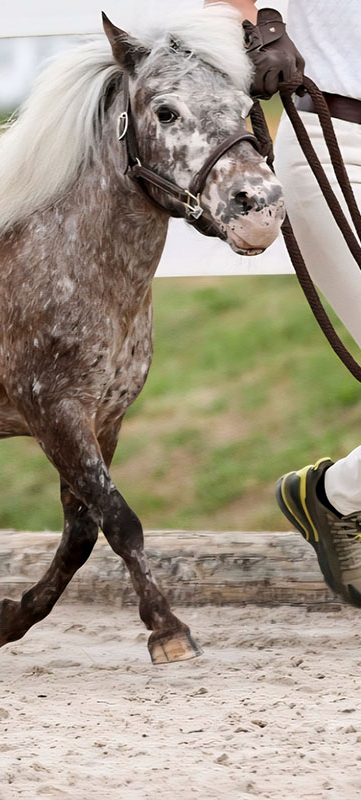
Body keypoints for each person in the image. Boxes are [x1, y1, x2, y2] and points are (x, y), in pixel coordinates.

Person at [214, 1, 361, 607]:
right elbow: (225, 6)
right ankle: (335, 497)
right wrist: (251, 31)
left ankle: (337, 494)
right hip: (339, 140)